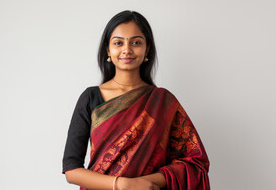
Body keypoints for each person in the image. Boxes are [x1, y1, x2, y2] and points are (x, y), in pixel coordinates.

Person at [62, 10, 210, 190]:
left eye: (136, 42)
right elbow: (71, 170)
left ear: (147, 48)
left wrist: (147, 183)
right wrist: (123, 185)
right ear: (108, 49)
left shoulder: (163, 101)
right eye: (118, 42)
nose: (127, 49)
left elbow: (195, 163)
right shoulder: (91, 98)